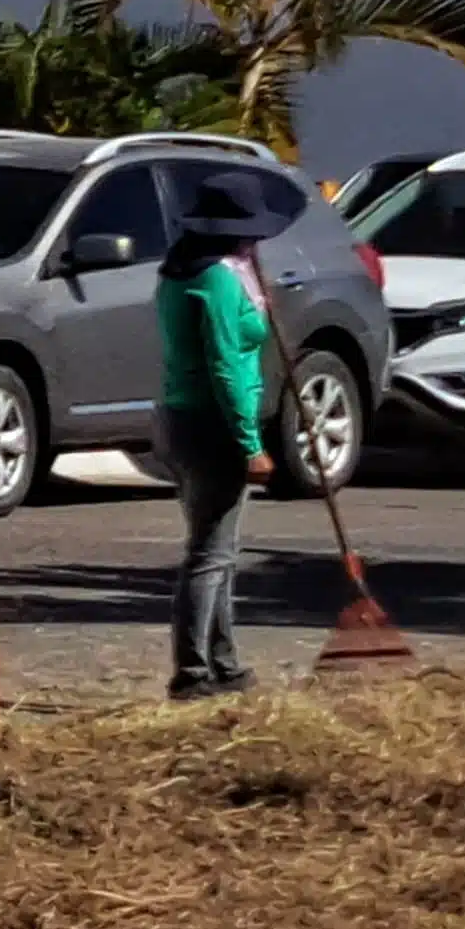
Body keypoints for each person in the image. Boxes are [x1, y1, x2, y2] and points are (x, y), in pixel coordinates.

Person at [153, 171, 286, 701]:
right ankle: (192, 673)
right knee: (210, 553)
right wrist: (250, 443)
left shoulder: (178, 271)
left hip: (178, 418)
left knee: (220, 549)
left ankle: (224, 661)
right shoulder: (217, 280)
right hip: (212, 425)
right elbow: (225, 365)